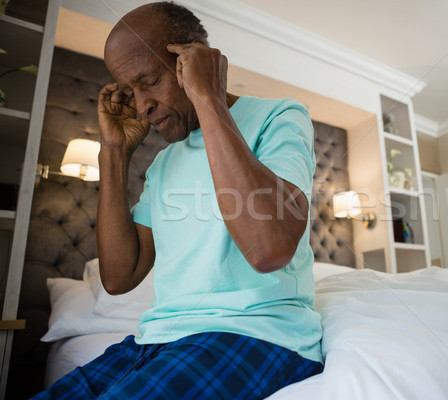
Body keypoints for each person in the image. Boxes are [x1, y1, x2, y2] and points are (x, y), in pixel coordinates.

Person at [32, 1, 323, 399]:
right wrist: (113, 153)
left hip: (255, 334)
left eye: (149, 81)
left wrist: (209, 98)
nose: (140, 106)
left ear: (194, 60)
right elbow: (119, 278)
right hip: (155, 341)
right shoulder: (163, 162)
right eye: (130, 91)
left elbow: (268, 248)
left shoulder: (280, 117)